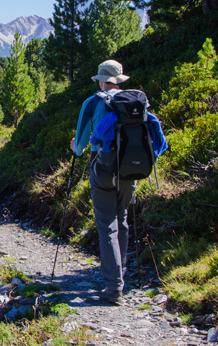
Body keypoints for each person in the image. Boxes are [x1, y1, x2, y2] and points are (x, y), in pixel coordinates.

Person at [70, 59, 134, 305]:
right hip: (129, 170)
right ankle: (122, 275)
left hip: (103, 168)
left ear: (100, 80)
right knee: (123, 219)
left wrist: (75, 145)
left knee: (107, 225)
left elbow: (79, 147)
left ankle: (113, 287)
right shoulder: (134, 101)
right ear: (118, 80)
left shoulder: (92, 102)